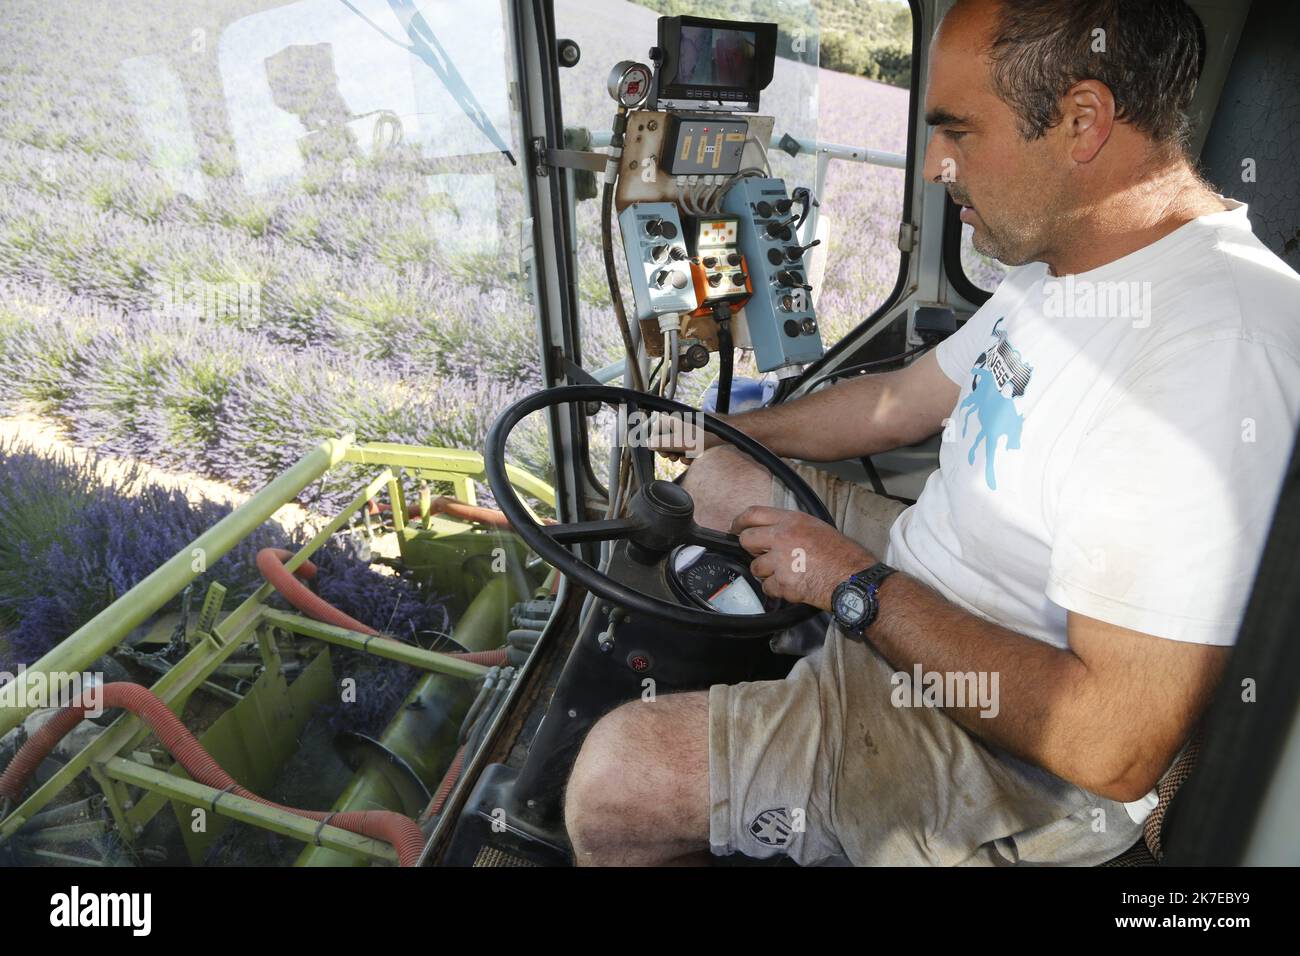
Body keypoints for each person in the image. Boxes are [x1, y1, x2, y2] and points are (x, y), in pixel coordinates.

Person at [563, 0, 1300, 866]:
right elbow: (900, 404)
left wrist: (852, 587)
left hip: (1012, 755)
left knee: (618, 777)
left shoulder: (1215, 351)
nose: (932, 168)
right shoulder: (1071, 264)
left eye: (958, 132)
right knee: (714, 476)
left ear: (1082, 122)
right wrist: (719, 428)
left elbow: (1111, 744)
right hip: (930, 576)